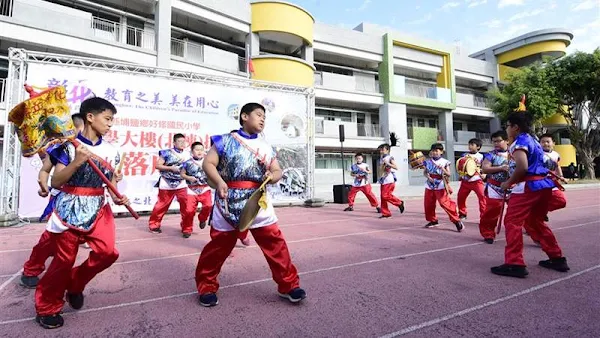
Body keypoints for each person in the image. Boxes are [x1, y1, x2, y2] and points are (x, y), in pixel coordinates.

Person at [195, 102, 305, 307]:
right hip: (227, 199)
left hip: (258, 200)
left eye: (264, 116)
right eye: (258, 114)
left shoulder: (265, 146)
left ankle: (289, 285)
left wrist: (272, 176)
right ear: (244, 117)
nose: (263, 119)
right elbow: (208, 163)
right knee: (218, 247)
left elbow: (278, 170)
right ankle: (206, 286)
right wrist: (219, 182)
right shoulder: (225, 140)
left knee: (275, 243)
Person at [35, 97, 129, 329]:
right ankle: (47, 306)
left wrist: (117, 195)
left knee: (108, 253)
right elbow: (56, 181)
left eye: (112, 120)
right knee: (63, 262)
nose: (110, 124)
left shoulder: (112, 150)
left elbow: (112, 183)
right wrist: (76, 162)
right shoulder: (68, 146)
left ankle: (75, 283)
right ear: (90, 116)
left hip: (99, 206)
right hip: (69, 206)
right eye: (107, 119)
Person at [491, 112, 569, 278]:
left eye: (507, 125)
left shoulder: (520, 142)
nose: (506, 129)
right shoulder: (533, 139)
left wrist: (508, 183)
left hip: (528, 186)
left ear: (515, 127)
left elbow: (522, 168)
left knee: (512, 222)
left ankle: (514, 263)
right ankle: (557, 258)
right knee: (535, 221)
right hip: (544, 185)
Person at [20, 114, 86, 289]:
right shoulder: (61, 147)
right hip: (60, 200)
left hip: (84, 203)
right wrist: (44, 185)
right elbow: (45, 170)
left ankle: (65, 281)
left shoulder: (96, 148)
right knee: (49, 240)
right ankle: (31, 270)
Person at [148, 133, 190, 235]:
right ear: (174, 142)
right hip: (166, 182)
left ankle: (186, 228)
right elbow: (158, 165)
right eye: (179, 141)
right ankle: (154, 225)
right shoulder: (166, 153)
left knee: (186, 207)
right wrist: (171, 168)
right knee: (161, 205)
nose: (182, 144)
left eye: (183, 141)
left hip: (181, 183)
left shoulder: (188, 154)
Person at [423, 143, 464, 232]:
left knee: (444, 203)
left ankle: (456, 220)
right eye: (433, 151)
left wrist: (443, 169)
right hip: (429, 185)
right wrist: (428, 177)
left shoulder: (445, 162)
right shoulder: (428, 161)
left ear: (441, 152)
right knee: (428, 204)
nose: (434, 153)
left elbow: (449, 174)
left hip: (440, 184)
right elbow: (425, 172)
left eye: (437, 151)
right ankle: (433, 220)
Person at [478, 131, 510, 244]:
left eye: (499, 141)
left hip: (514, 187)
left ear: (507, 140)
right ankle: (488, 233)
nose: (496, 143)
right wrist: (502, 168)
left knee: (518, 213)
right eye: (494, 141)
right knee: (491, 213)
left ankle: (534, 234)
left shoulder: (515, 153)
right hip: (494, 188)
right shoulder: (490, 155)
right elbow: (485, 169)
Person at [180, 142, 212, 235]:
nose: (199, 152)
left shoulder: (208, 161)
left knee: (208, 206)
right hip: (191, 190)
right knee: (189, 211)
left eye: (201, 150)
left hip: (205, 188)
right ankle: (187, 229)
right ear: (192, 152)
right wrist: (189, 178)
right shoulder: (187, 163)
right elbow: (182, 174)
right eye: (197, 150)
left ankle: (202, 219)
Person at [539, 133, 567, 221]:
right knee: (538, 201)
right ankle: (536, 216)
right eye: (543, 142)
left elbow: (557, 166)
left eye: (548, 142)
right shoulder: (537, 154)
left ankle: (542, 211)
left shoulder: (556, 155)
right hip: (539, 182)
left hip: (551, 182)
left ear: (553, 143)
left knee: (561, 201)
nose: (545, 144)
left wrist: (561, 176)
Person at [457, 138, 486, 220]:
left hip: (477, 180)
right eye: (469, 144)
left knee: (482, 198)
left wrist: (484, 174)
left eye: (472, 145)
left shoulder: (482, 156)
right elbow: (461, 166)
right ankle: (462, 214)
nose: (469, 146)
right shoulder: (464, 155)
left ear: (478, 147)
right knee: (461, 197)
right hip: (465, 181)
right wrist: (460, 174)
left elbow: (484, 167)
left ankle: (483, 215)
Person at [377, 144, 405, 218]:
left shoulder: (390, 157)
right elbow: (381, 170)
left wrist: (388, 163)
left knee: (385, 196)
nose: (381, 151)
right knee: (383, 198)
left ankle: (399, 203)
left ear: (387, 150)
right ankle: (386, 213)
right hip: (383, 180)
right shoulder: (381, 158)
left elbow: (396, 167)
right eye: (380, 150)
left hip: (389, 180)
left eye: (382, 149)